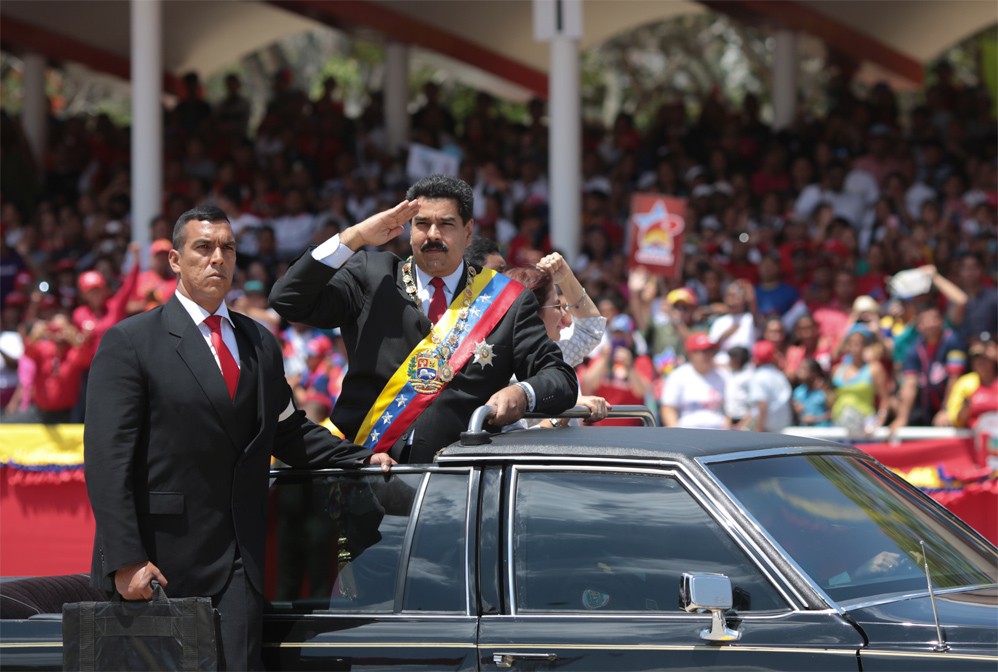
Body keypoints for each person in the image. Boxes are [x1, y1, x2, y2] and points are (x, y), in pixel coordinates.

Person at [84, 205, 393, 671]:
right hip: (158, 564)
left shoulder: (259, 341)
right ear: (175, 260)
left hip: (239, 564)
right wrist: (125, 561)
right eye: (203, 247)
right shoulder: (131, 341)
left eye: (227, 248)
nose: (218, 258)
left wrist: (359, 459)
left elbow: (288, 432)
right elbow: (107, 463)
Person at [269, 174, 577, 463]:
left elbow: (560, 378)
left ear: (468, 232)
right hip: (364, 472)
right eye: (422, 224)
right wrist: (354, 237)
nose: (433, 235)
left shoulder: (507, 299)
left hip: (459, 481)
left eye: (446, 224)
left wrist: (522, 393)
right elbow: (287, 298)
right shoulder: (372, 275)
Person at [890, 304, 967, 431]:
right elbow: (910, 383)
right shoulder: (914, 349)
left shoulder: (954, 342)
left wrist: (946, 410)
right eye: (925, 320)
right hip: (927, 409)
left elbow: (955, 377)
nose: (930, 324)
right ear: (919, 326)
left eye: (934, 319)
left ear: (942, 321)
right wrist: (902, 417)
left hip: (953, 407)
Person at [659, 333, 727, 429]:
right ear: (691, 354)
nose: (708, 355)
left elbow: (730, 412)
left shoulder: (723, 375)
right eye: (703, 351)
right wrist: (675, 430)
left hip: (717, 430)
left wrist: (726, 432)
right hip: (687, 430)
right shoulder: (678, 375)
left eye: (711, 350)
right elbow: (668, 407)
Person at [741, 340, 793, 432]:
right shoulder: (780, 375)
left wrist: (759, 430)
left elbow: (762, 404)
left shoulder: (758, 377)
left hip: (767, 428)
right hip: (783, 427)